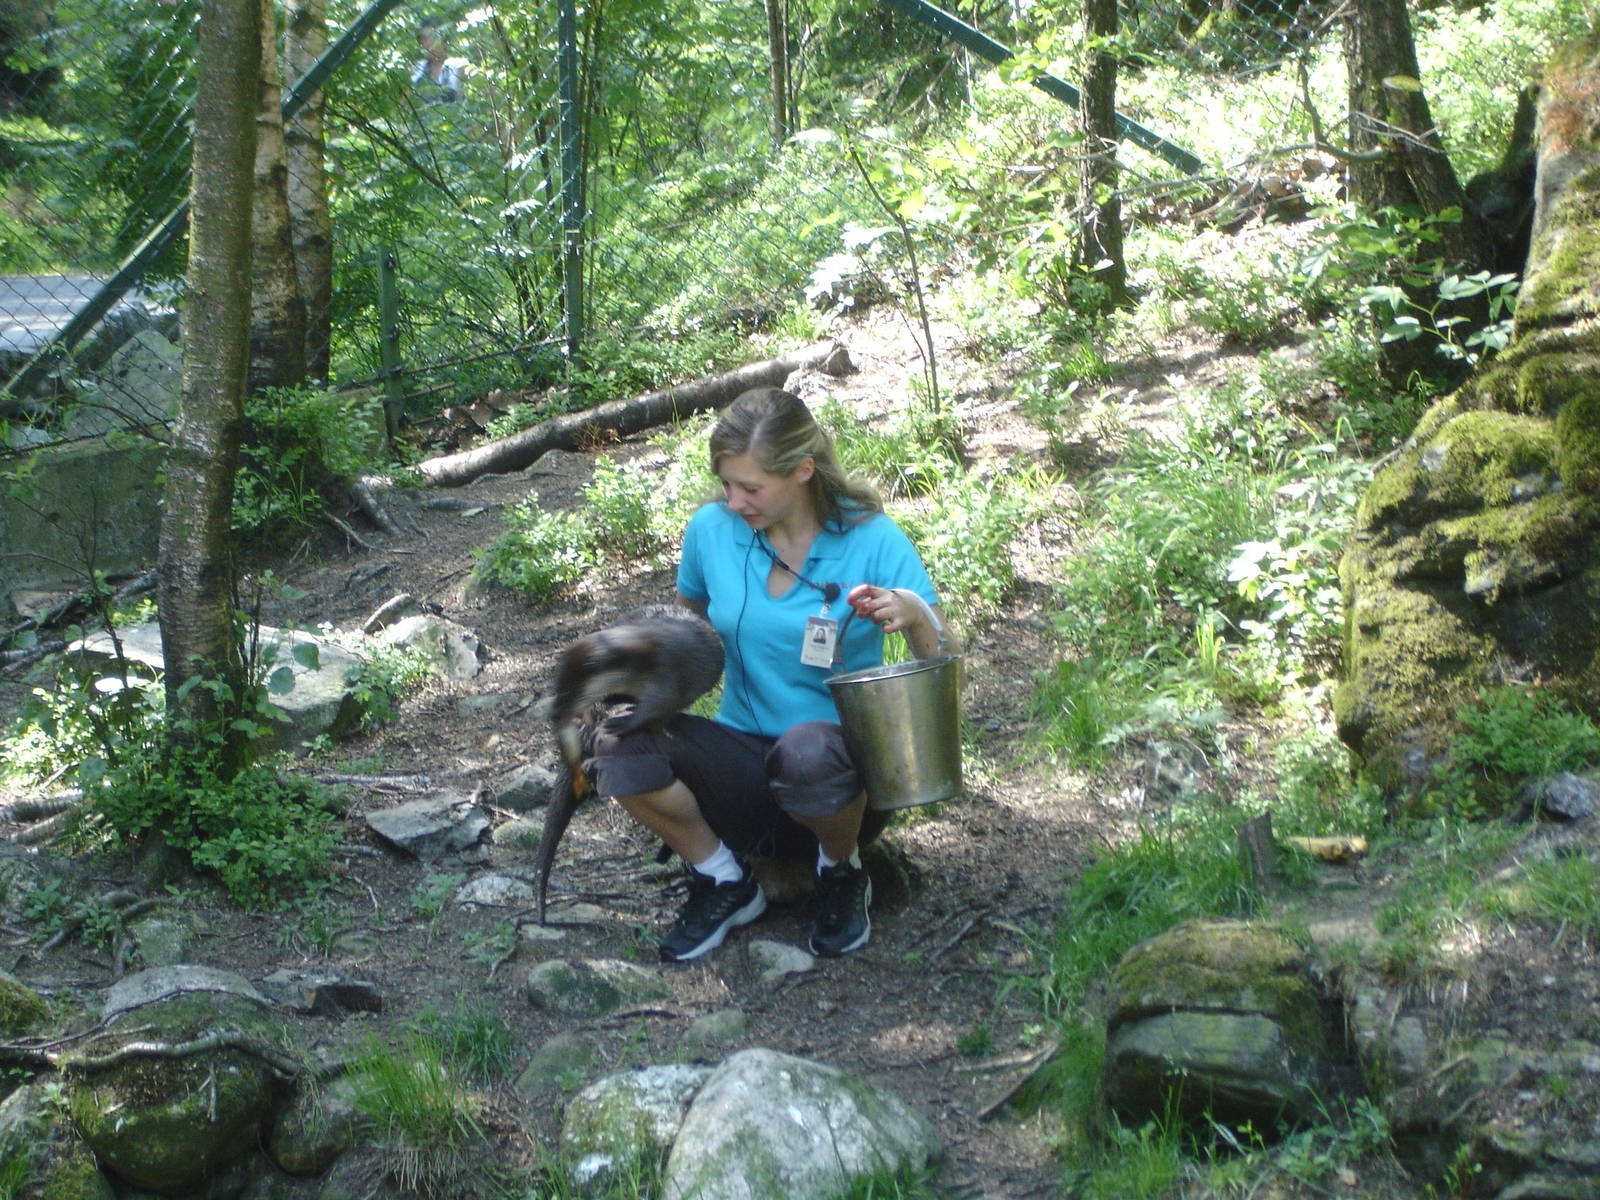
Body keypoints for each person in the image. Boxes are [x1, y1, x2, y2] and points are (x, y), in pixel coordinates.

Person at [585, 387, 957, 962]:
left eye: (751, 487)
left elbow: (942, 659)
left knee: (806, 752)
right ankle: (725, 879)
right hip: (743, 763)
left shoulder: (871, 537)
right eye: (726, 483)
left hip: (840, 774)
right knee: (616, 744)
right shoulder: (712, 531)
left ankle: (840, 870)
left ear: (803, 470)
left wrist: (913, 614)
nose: (734, 501)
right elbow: (691, 622)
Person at [410, 18, 463, 102]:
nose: (426, 44)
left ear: (444, 40)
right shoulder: (418, 68)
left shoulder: (457, 65)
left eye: (431, 38)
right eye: (423, 39)